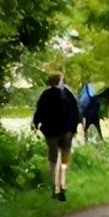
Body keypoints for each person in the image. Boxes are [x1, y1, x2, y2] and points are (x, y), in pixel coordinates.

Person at [29, 72, 81, 200]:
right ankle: (62, 185)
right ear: (60, 81)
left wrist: (35, 124)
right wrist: (74, 128)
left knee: (52, 157)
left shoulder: (45, 95)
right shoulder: (68, 94)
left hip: (51, 132)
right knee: (64, 159)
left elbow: (39, 111)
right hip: (66, 131)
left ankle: (54, 186)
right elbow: (76, 112)